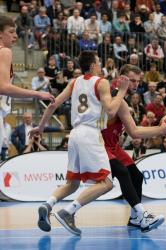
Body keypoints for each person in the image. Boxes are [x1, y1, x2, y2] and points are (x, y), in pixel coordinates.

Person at [29, 51, 131, 236]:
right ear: (92, 65)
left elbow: (53, 104)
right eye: (99, 62)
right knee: (106, 183)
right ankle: (68, 212)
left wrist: (41, 127)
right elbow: (110, 110)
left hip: (74, 134)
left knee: (72, 184)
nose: (101, 66)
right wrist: (122, 91)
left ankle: (47, 204)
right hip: (90, 134)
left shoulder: (74, 82)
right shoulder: (102, 82)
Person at [102, 64, 166, 229]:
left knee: (136, 177)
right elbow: (135, 132)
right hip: (101, 146)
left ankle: (135, 218)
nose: (136, 84)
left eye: (138, 81)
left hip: (114, 146)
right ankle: (141, 215)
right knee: (112, 179)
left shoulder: (122, 98)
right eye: (132, 80)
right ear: (121, 78)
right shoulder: (115, 97)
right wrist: (162, 129)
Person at [0, 15, 54, 158]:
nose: (15, 36)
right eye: (11, 32)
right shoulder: (4, 51)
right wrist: (37, 94)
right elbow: (4, 87)